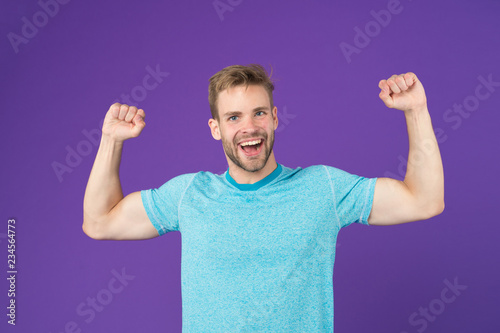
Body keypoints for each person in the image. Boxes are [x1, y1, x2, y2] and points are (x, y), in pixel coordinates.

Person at [83, 64, 444, 332]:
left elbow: (424, 201)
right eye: (233, 117)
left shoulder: (323, 188)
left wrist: (416, 111)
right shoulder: (189, 194)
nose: (249, 127)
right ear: (216, 128)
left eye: (258, 113)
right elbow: (100, 223)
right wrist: (111, 141)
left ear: (274, 118)